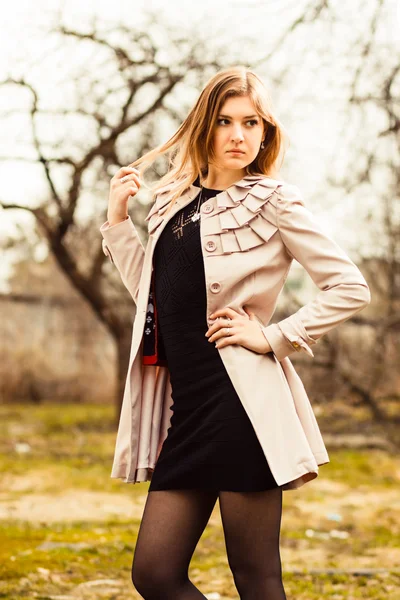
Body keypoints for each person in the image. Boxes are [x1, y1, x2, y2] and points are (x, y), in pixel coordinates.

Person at [102, 66, 370, 599]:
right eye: (225, 121)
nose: (239, 135)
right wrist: (117, 221)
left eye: (252, 123)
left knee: (256, 579)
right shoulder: (172, 201)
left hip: (242, 407)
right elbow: (154, 299)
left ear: (266, 132)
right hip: (190, 410)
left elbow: (349, 286)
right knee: (154, 573)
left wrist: (273, 337)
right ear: (205, 125)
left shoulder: (274, 202)